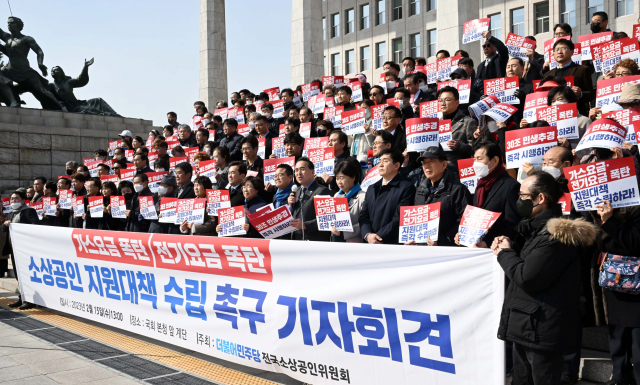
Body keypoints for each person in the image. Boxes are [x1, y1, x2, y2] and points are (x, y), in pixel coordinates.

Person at [492, 171, 595, 385]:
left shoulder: (556, 237)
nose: (518, 200)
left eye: (523, 196)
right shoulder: (532, 230)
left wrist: (505, 253)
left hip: (541, 330)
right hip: (527, 325)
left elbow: (527, 277)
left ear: (541, 198)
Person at [592, 196, 640, 385]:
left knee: (637, 337)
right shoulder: (599, 208)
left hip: (635, 280)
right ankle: (620, 376)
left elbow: (635, 242)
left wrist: (610, 221)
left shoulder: (635, 210)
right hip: (613, 278)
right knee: (617, 334)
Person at [456, 142, 521, 247]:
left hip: (496, 250)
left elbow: (513, 224)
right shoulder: (480, 185)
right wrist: (464, 235)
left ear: (495, 160)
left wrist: (488, 242)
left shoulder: (511, 186)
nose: (475, 164)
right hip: (475, 247)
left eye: (480, 159)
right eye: (474, 159)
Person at [412, 147, 472, 246]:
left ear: (444, 165)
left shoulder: (458, 190)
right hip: (421, 249)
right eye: (424, 163)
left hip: (445, 250)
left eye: (431, 162)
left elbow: (463, 221)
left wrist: (442, 241)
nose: (426, 166)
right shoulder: (420, 189)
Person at [359, 149, 416, 244]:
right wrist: (368, 235)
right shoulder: (372, 188)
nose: (380, 165)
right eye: (379, 161)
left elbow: (399, 218)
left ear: (397, 165)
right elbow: (363, 216)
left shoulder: (406, 187)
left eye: (385, 161)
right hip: (370, 243)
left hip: (391, 244)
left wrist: (378, 237)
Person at [1, 190, 39, 310]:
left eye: (16, 198)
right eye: (12, 199)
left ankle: (31, 300)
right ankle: (22, 297)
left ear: (23, 200)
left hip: (25, 249)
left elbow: (35, 225)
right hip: (14, 249)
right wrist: (5, 224)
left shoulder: (28, 211)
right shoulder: (12, 213)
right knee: (18, 275)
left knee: (27, 275)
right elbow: (2, 229)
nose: (13, 201)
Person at [544, 39, 594, 117]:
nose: (560, 52)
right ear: (553, 54)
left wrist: (580, 94)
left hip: (576, 114)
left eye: (564, 48)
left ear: (572, 52)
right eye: (556, 49)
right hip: (554, 115)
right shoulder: (547, 75)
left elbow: (591, 93)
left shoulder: (582, 70)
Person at [287, 157, 332, 242]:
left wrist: (305, 225)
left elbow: (326, 219)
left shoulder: (322, 190)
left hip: (314, 241)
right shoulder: (297, 191)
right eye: (296, 170)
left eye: (302, 169)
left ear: (312, 171)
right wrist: (290, 206)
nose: (298, 173)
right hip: (296, 240)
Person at [438, 86, 478, 176]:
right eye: (440, 100)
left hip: (457, 172)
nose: (443, 103)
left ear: (457, 103)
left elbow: (475, 149)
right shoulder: (436, 124)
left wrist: (458, 146)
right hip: (438, 171)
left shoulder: (469, 122)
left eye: (447, 99)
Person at [331, 160, 365, 243]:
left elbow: (364, 223)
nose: (339, 181)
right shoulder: (336, 196)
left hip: (354, 242)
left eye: (342, 178)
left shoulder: (363, 196)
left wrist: (344, 232)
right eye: (337, 178)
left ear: (353, 177)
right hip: (336, 240)